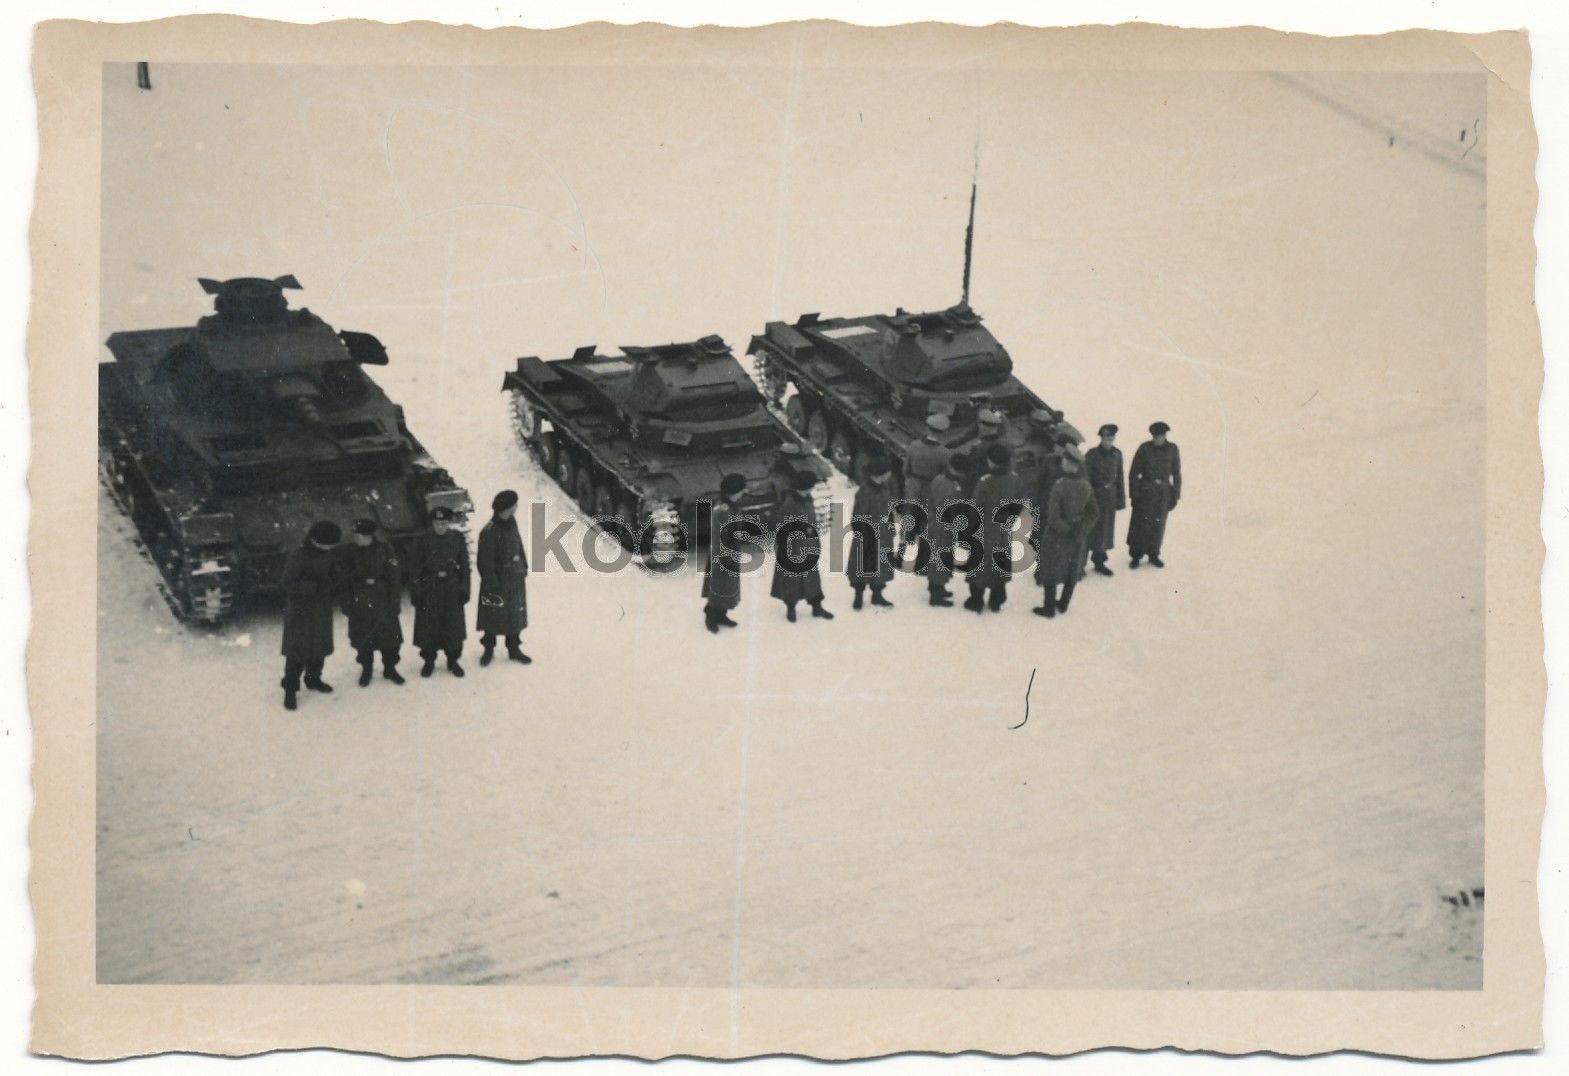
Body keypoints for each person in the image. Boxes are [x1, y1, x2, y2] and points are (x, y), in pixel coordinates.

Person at [279, 521, 342, 711]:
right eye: (327, 544)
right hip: (301, 611)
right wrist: (313, 587)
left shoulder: (328, 554)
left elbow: (333, 573)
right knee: (297, 652)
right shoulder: (298, 556)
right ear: (315, 541)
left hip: (321, 609)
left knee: (319, 648)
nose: (329, 548)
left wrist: (337, 580)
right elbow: (287, 583)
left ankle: (313, 679)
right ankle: (290, 689)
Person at [1034, 448, 1100, 618]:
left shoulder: (1060, 485)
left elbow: (1053, 516)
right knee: (1072, 569)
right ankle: (1063, 604)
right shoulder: (1086, 485)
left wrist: (1066, 530)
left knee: (1050, 568)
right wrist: (1081, 529)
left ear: (1070, 464)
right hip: (1077, 537)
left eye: (1065, 461)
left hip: (1056, 536)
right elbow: (1094, 512)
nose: (1062, 463)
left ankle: (1049, 608)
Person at [339, 518, 404, 687]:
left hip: (382, 597)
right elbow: (343, 580)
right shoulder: (348, 552)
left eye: (358, 535)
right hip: (359, 598)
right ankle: (366, 669)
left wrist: (395, 601)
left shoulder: (385, 549)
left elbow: (394, 576)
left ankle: (390, 668)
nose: (355, 538)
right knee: (363, 637)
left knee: (390, 637)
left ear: (368, 536)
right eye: (355, 535)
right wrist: (346, 604)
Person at [965, 441, 1027, 613]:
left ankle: (976, 599)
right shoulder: (1016, 479)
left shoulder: (985, 481)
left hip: (984, 529)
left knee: (979, 564)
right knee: (1000, 562)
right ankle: (997, 600)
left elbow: (975, 507)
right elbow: (1019, 504)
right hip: (1004, 529)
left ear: (991, 461)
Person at [411, 506, 470, 676]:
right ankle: (429, 661)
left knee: (453, 626)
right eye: (437, 523)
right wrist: (417, 592)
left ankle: (453, 660)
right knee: (428, 627)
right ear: (432, 524)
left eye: (444, 523)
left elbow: (465, 567)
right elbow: (415, 568)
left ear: (449, 523)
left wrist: (465, 589)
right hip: (430, 588)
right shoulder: (422, 540)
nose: (440, 527)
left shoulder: (457, 538)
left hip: (451, 588)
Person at [476, 489, 531, 666]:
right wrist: (492, 585)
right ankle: (488, 650)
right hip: (497, 581)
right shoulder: (489, 531)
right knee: (492, 616)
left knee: (514, 615)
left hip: (514, 578)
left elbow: (519, 546)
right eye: (514, 505)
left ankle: (514, 649)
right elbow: (484, 562)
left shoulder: (511, 523)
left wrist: (524, 566)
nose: (516, 507)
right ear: (506, 508)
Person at [770, 470, 833, 622]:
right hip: (793, 548)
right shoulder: (789, 504)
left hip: (808, 546)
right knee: (791, 579)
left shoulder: (807, 499)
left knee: (812, 577)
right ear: (806, 487)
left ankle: (817, 607)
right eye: (811, 486)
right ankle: (791, 608)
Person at [1128, 421, 1182, 568]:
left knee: (1158, 525)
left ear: (1165, 435)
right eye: (1155, 436)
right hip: (1145, 492)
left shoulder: (1172, 449)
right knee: (1140, 524)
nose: (1157, 439)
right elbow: (1134, 473)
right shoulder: (1144, 448)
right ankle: (1136, 555)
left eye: (1160, 436)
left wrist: (1175, 495)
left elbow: (1176, 473)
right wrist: (1134, 494)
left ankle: (1153, 554)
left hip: (1163, 494)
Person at [702, 473, 752, 633]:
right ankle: (711, 617)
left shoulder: (731, 506)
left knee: (728, 588)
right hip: (722, 556)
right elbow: (717, 538)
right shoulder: (722, 510)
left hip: (731, 553)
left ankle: (722, 615)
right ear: (733, 491)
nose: (744, 493)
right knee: (719, 588)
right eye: (741, 490)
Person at [847, 451, 896, 610]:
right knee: (862, 567)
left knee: (881, 566)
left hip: (883, 535)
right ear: (882, 473)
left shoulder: (885, 489)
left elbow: (888, 511)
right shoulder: (864, 492)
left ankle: (877, 595)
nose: (890, 474)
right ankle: (858, 596)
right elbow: (857, 518)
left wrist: (890, 529)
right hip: (867, 537)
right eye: (888, 472)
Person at [924, 449, 970, 606]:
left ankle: (938, 587)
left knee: (945, 557)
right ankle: (935, 595)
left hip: (946, 525)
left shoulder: (946, 480)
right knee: (940, 558)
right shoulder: (945, 483)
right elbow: (942, 506)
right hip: (941, 525)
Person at [1083, 424, 1126, 576]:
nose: (1108, 441)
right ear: (1101, 438)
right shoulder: (1092, 454)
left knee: (1104, 531)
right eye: (1105, 438)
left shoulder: (1117, 454)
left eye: (1111, 438)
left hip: (1110, 498)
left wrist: (1121, 499)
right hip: (1095, 496)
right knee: (1088, 530)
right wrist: (1086, 499)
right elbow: (1085, 477)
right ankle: (1080, 564)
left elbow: (1120, 477)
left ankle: (1099, 562)